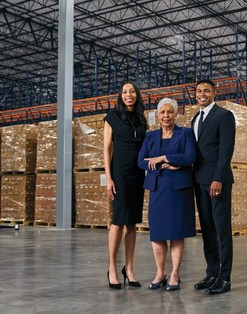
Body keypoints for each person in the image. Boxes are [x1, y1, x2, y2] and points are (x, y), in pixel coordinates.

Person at [138, 97, 196, 291]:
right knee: (158, 234)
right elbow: (141, 161)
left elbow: (190, 156)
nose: (166, 116)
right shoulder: (150, 136)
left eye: (170, 111)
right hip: (157, 188)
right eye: (162, 112)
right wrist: (165, 164)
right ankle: (160, 273)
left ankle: (175, 275)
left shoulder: (186, 133)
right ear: (157, 114)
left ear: (176, 113)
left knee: (177, 234)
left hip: (179, 190)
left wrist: (163, 157)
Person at [191, 79, 236, 295]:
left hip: (217, 182)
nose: (202, 94)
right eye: (199, 91)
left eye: (206, 91)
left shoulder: (224, 116)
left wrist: (218, 178)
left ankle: (224, 277)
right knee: (207, 229)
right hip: (199, 181)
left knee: (221, 230)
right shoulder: (195, 118)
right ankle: (211, 273)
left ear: (214, 93)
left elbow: (226, 150)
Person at [103, 82, 148, 289]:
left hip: (137, 174)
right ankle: (112, 268)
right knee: (118, 222)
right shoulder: (112, 116)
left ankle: (128, 268)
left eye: (132, 91)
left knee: (132, 223)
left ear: (136, 95)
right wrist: (109, 177)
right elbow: (106, 148)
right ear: (120, 96)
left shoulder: (141, 119)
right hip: (120, 173)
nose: (128, 95)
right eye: (124, 92)